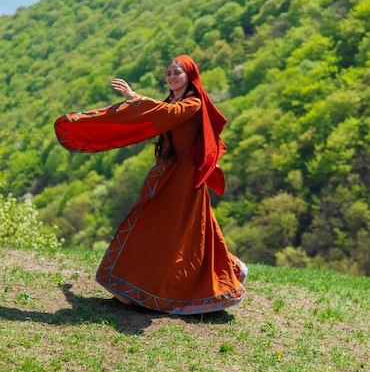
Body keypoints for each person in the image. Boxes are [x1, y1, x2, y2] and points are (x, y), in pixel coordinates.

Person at [54, 54, 248, 314]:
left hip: (184, 178)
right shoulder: (173, 100)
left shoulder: (193, 102)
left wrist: (135, 97)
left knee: (169, 230)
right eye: (168, 73)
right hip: (169, 174)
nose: (171, 78)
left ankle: (182, 285)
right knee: (167, 228)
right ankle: (138, 284)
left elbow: (165, 114)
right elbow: (159, 113)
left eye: (176, 73)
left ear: (189, 76)